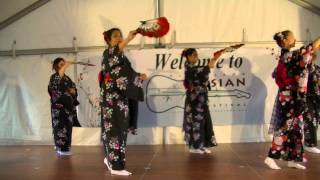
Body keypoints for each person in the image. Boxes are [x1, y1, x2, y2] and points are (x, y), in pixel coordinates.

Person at [265, 30, 320, 170]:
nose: (295, 39)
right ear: (286, 41)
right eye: (292, 37)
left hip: (294, 94)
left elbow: (307, 54)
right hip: (289, 95)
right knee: (286, 125)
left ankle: (293, 158)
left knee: (297, 127)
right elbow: (309, 49)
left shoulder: (289, 55)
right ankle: (270, 157)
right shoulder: (288, 55)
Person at [99, 28, 147, 176]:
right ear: (108, 40)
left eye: (120, 35)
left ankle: (111, 160)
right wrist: (128, 39)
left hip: (121, 98)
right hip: (111, 99)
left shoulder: (123, 58)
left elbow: (128, 74)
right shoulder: (107, 54)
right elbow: (115, 54)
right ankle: (115, 166)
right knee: (114, 131)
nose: (119, 38)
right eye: (115, 36)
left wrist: (139, 76)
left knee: (121, 131)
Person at [182, 48, 223, 154]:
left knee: (205, 121)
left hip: (201, 99)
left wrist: (215, 58)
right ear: (189, 57)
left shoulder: (194, 68)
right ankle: (194, 147)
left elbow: (206, 69)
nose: (197, 57)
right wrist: (215, 58)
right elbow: (206, 68)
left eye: (197, 55)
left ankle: (203, 144)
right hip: (194, 100)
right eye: (194, 55)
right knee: (196, 123)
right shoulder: (189, 68)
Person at [48, 57, 80, 156]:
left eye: (64, 64)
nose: (63, 65)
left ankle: (66, 148)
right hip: (59, 107)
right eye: (61, 64)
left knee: (68, 127)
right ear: (56, 65)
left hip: (68, 108)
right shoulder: (54, 77)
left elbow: (74, 89)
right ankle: (60, 148)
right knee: (60, 126)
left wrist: (73, 91)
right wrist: (66, 65)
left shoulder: (67, 78)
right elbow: (55, 88)